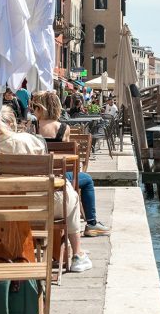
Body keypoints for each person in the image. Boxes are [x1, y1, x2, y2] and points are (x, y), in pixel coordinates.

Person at [0, 107, 92, 272]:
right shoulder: (32, 140)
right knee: (70, 194)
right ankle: (77, 254)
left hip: (3, 206)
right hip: (42, 204)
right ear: (12, 122)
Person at [32, 90, 110, 236]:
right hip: (59, 177)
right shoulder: (63, 129)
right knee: (87, 180)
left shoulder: (32, 128)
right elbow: (69, 160)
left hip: (37, 175)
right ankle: (91, 223)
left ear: (40, 108)